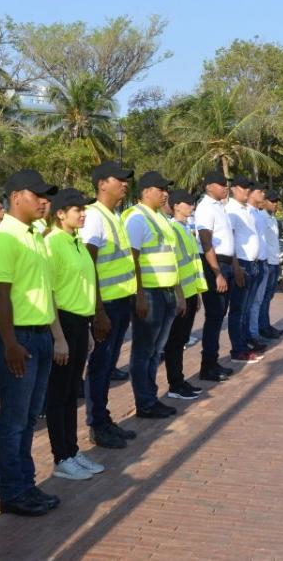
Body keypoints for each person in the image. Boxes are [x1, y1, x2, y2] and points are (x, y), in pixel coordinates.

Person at [0, 169, 62, 517]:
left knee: (30, 417)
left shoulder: (36, 236)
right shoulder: (5, 239)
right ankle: (11, 491)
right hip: (19, 338)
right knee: (13, 419)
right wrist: (10, 342)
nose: (45, 201)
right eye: (38, 195)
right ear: (16, 197)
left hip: (40, 334)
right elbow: (0, 293)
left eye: (47, 196)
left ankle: (26, 483)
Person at [44, 188, 107, 481]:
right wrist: (58, 336)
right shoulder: (53, 243)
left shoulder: (77, 242)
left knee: (72, 393)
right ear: (60, 214)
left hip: (80, 323)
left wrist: (89, 326)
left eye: (83, 209)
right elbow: (51, 294)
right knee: (59, 394)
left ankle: (71, 450)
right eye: (76, 210)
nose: (83, 214)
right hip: (64, 324)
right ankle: (61, 456)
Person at [80, 161, 139, 449]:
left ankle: (103, 418)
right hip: (106, 305)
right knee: (100, 366)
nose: (125, 184)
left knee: (107, 365)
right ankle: (96, 424)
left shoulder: (112, 215)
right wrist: (98, 309)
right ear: (102, 184)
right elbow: (88, 263)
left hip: (120, 302)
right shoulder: (93, 216)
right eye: (120, 179)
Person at [122, 171, 186, 417]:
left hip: (166, 292)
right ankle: (145, 402)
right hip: (149, 293)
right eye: (161, 189)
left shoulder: (159, 218)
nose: (165, 193)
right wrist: (138, 296)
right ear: (147, 191)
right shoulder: (137, 219)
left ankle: (151, 396)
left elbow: (171, 258)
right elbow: (132, 260)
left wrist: (178, 293)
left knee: (155, 351)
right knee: (144, 350)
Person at [163, 190, 209, 400]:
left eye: (193, 202)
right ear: (176, 206)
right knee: (175, 342)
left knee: (181, 340)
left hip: (190, 293)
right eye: (188, 203)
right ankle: (175, 384)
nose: (192, 206)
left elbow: (191, 263)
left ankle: (179, 380)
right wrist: (180, 295)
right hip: (180, 295)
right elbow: (174, 264)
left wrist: (197, 293)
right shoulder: (172, 229)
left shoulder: (186, 229)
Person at [194, 171, 241, 380]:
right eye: (221, 184)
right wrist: (217, 273)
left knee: (220, 313)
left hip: (226, 262)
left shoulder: (220, 207)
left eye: (226, 183)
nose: (225, 187)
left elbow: (228, 238)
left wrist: (235, 265)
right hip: (215, 264)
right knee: (214, 316)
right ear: (208, 186)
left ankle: (213, 362)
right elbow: (206, 242)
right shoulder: (205, 208)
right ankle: (208, 366)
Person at [226, 175, 267, 359]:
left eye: (248, 188)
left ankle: (245, 343)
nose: (247, 191)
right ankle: (238, 349)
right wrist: (236, 267)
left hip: (253, 263)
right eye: (243, 187)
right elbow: (231, 241)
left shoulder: (246, 210)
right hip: (241, 264)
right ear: (233, 188)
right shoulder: (231, 210)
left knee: (246, 308)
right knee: (238, 311)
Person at [249, 189, 283, 339]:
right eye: (272, 201)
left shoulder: (273, 219)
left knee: (268, 297)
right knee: (261, 298)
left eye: (276, 201)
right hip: (267, 262)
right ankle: (261, 327)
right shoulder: (260, 217)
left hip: (274, 261)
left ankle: (265, 324)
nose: (275, 204)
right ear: (264, 202)